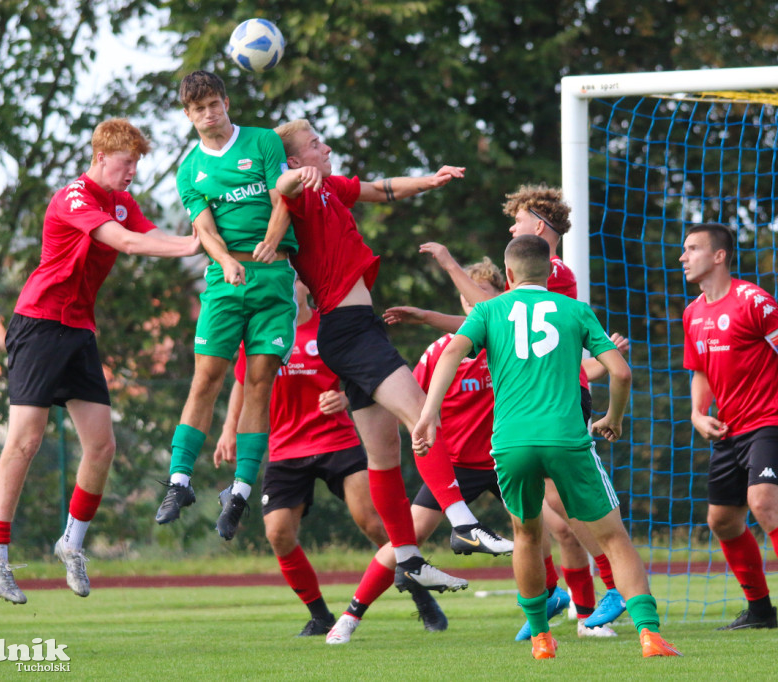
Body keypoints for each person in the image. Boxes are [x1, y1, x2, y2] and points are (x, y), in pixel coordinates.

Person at [273, 119, 512, 596]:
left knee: (384, 456)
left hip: (354, 330)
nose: (326, 147)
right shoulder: (297, 192)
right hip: (349, 331)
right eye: (316, 144)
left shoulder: (331, 188)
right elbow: (279, 185)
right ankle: (463, 523)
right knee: (424, 415)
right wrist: (290, 178)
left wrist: (430, 179)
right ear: (298, 161)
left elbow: (380, 190)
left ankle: (407, 557)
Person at [413, 235, 682, 659]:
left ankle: (541, 638)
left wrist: (428, 414)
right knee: (612, 537)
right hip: (567, 438)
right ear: (548, 273)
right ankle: (650, 635)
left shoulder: (487, 310)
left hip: (511, 443)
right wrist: (613, 417)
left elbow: (451, 356)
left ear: (511, 276)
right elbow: (622, 373)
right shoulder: (575, 311)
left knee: (526, 534)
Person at [0, 119, 200, 604]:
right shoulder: (74, 198)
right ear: (101, 157)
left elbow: (152, 232)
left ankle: (71, 544)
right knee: (26, 441)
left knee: (101, 446)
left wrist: (205, 238)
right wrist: (195, 245)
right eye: (126, 162)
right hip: (38, 325)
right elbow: (129, 243)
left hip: (78, 331)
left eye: (138, 163)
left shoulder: (123, 202)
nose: (133, 171)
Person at [403, 183, 628, 633]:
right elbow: (486, 319)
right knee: (544, 514)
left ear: (539, 227)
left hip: (560, 398)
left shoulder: (554, 273)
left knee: (567, 505)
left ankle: (614, 585)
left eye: (518, 219)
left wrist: (448, 264)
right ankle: (567, 604)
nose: (511, 225)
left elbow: (490, 311)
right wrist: (430, 318)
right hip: (542, 400)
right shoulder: (540, 275)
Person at [214, 279, 446, 638]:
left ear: (307, 286)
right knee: (278, 534)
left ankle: (420, 593)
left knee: (373, 522)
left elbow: (364, 375)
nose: (287, 285)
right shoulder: (261, 330)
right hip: (285, 448)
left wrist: (344, 398)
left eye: (292, 278)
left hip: (336, 440)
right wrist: (230, 429)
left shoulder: (330, 329)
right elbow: (245, 384)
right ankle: (320, 614)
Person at [154, 70, 296, 534]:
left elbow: (282, 198)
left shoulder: (262, 142)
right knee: (206, 378)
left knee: (259, 380)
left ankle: (239, 491)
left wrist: (272, 242)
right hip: (224, 279)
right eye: (199, 109)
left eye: (215, 104)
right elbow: (205, 230)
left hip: (272, 278)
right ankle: (179, 480)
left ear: (226, 102)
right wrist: (225, 262)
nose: (209, 114)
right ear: (188, 115)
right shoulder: (189, 170)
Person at [680, 223, 778, 632]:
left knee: (763, 503)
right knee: (723, 521)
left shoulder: (754, 301)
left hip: (770, 422)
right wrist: (697, 413)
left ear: (719, 256)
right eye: (684, 249)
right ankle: (761, 611)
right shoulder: (692, 313)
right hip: (729, 431)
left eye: (692, 248)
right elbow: (700, 371)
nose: (683, 256)